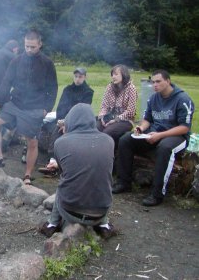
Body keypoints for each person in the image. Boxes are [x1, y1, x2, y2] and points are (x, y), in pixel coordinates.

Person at [0, 30, 58, 184]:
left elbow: (53, 88)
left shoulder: (47, 63)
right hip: (15, 104)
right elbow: (6, 82)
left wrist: (46, 108)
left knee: (32, 141)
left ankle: (28, 175)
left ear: (40, 44)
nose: (29, 50)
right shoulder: (16, 61)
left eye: (32, 47)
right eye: (26, 46)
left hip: (35, 108)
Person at [112, 69, 195, 206]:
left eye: (158, 81)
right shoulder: (153, 98)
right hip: (154, 133)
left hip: (177, 136)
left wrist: (160, 135)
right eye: (153, 82)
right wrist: (140, 129)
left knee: (164, 148)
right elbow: (147, 120)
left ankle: (157, 194)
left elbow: (184, 127)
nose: (155, 85)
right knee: (126, 140)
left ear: (168, 81)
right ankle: (124, 182)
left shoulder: (182, 99)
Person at [38, 104, 116, 239]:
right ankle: (104, 226)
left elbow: (64, 172)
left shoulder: (60, 142)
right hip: (101, 212)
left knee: (64, 183)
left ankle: (52, 224)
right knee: (99, 179)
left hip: (70, 211)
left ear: (70, 120)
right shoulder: (109, 141)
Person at [39, 67, 93, 177]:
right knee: (55, 128)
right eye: (76, 76)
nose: (77, 79)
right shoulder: (67, 89)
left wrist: (68, 123)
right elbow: (60, 107)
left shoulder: (88, 92)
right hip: (63, 120)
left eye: (80, 77)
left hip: (79, 121)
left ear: (85, 77)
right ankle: (53, 160)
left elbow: (82, 111)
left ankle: (54, 164)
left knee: (62, 132)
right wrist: (61, 121)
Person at [97, 64, 137, 148]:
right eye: (112, 75)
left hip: (125, 120)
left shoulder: (131, 88)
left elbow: (131, 112)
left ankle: (109, 156)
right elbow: (104, 106)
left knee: (107, 133)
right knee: (95, 128)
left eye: (116, 74)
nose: (113, 77)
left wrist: (116, 119)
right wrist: (102, 117)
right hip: (109, 117)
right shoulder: (109, 87)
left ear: (124, 74)